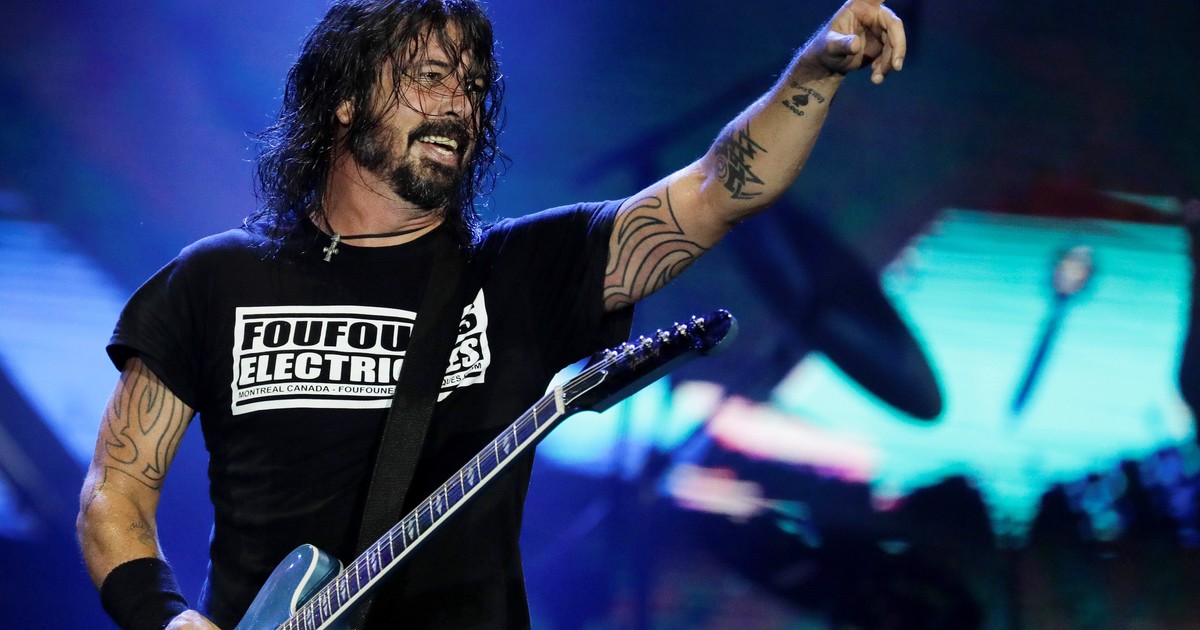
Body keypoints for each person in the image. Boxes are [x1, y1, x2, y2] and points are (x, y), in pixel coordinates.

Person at [76, 0, 906, 628]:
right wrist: (169, 622)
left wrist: (812, 74)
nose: (458, 107)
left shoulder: (518, 273)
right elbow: (116, 489)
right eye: (430, 77)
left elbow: (718, 190)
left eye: (473, 89)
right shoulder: (214, 280)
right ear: (344, 98)